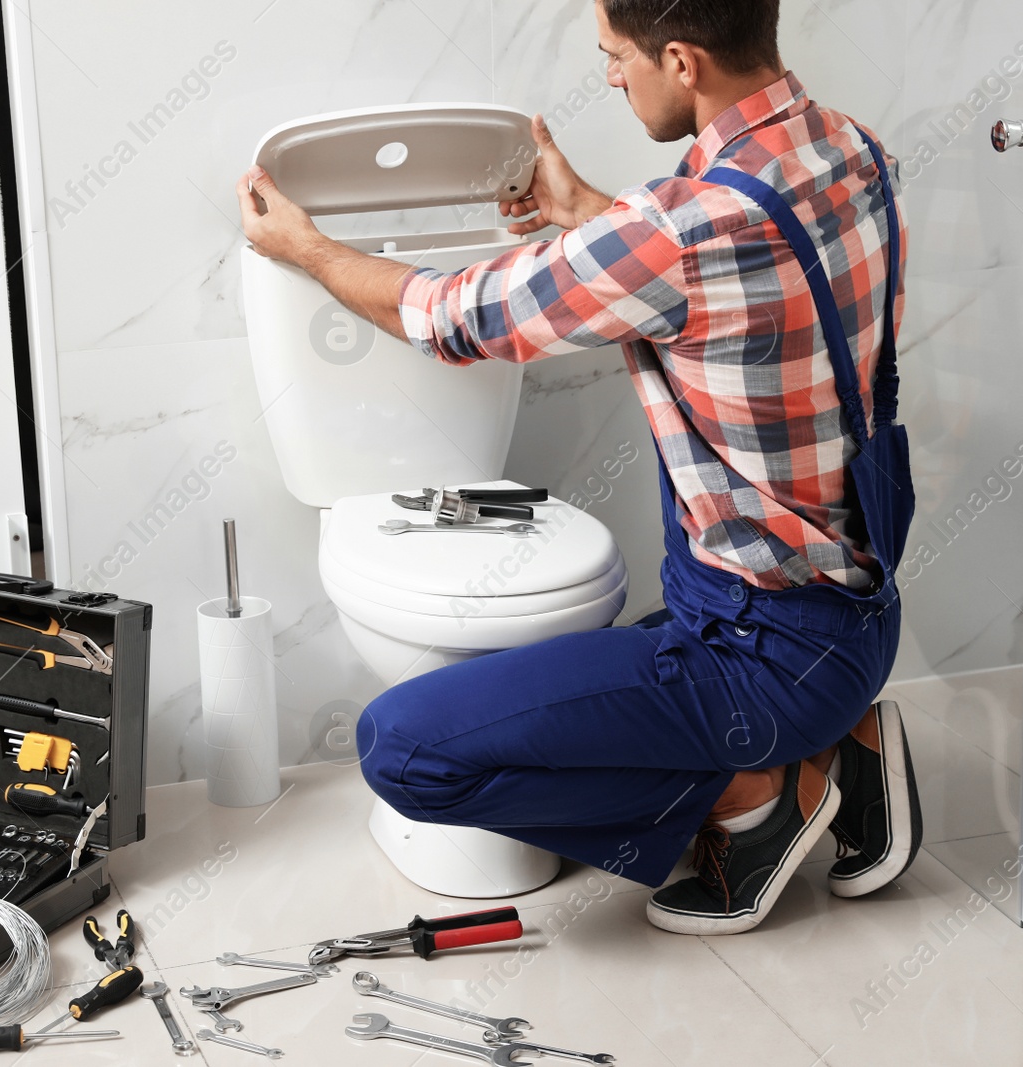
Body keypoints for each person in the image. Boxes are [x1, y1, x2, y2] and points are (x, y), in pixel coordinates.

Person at [236, 0, 922, 934]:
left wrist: (304, 248)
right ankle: (841, 730)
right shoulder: (855, 153)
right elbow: (749, 279)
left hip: (757, 653)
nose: (609, 76)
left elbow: (451, 317)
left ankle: (758, 790)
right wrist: (586, 215)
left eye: (615, 56)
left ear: (680, 59)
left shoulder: (678, 231)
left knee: (402, 752)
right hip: (860, 611)